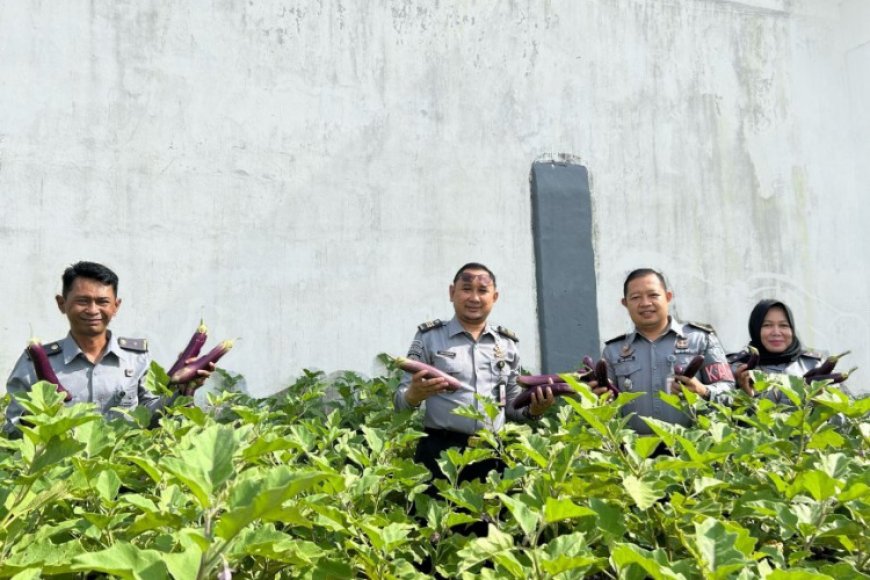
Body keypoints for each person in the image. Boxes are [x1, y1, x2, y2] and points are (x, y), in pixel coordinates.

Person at [3, 261, 211, 438]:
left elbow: (151, 417)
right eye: (82, 301)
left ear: (116, 306)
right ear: (62, 303)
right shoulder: (35, 362)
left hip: (124, 472)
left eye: (102, 301)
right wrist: (43, 411)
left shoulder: (135, 358)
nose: (93, 310)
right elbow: (12, 430)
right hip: (59, 476)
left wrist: (180, 391)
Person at [394, 262, 555, 483]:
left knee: (490, 518)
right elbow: (399, 401)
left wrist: (534, 410)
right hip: (440, 454)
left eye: (482, 291)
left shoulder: (507, 344)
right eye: (467, 289)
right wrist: (413, 395)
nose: (474, 298)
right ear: (452, 293)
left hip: (492, 454)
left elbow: (512, 407)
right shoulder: (428, 337)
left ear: (495, 297)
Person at [591, 268, 735, 435]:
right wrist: (600, 397)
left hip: (692, 450)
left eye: (653, 295)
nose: (645, 303)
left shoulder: (701, 340)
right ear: (625, 303)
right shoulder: (613, 351)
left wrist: (703, 391)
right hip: (635, 455)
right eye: (636, 297)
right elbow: (605, 404)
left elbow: (730, 392)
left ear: (668, 297)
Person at [730, 299, 828, 400]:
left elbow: (840, 413)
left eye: (783, 325)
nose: (776, 332)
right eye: (767, 325)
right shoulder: (737, 369)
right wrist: (744, 395)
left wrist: (820, 403)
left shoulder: (816, 365)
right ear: (755, 329)